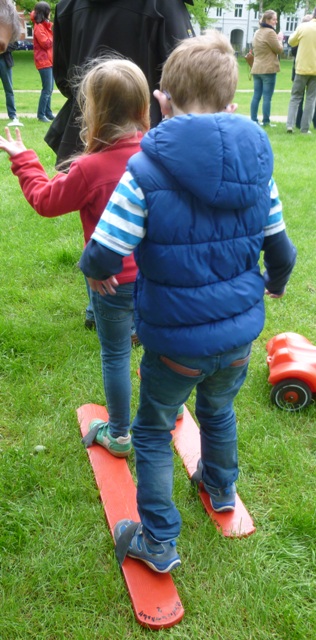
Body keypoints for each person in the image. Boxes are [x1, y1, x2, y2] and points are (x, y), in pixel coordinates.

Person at [80, 32, 297, 573]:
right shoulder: (258, 169)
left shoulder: (145, 173)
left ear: (163, 101)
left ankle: (157, 540)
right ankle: (221, 489)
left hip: (175, 343)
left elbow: (106, 248)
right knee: (218, 410)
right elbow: (282, 249)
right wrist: (276, 281)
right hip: (238, 340)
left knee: (154, 430)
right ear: (231, 103)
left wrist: (97, 274)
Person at [0, 57, 151, 458]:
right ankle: (160, 415)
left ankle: (119, 434)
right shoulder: (159, 156)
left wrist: (23, 158)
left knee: (116, 353)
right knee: (156, 346)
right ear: (143, 107)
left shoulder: (89, 167)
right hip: (158, 278)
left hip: (110, 281)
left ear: (93, 111)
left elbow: (46, 201)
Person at [44, 0, 194, 330]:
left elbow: (65, 73)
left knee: (101, 207)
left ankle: (107, 303)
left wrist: (95, 107)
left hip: (93, 123)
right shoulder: (162, 2)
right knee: (146, 214)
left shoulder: (69, 3)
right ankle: (123, 305)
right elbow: (184, 70)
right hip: (145, 130)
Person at [45, 0, 194, 164]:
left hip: (84, 138)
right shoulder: (164, 4)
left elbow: (64, 79)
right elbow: (188, 82)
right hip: (145, 144)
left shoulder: (67, 5)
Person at [250, 9, 283, 127]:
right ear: (268, 20)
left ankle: (253, 120)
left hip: (256, 68)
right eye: (274, 19)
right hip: (268, 69)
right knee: (267, 97)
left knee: (256, 95)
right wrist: (280, 39)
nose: (276, 21)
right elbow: (278, 50)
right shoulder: (270, 32)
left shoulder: (257, 32)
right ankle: (266, 121)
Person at [286, 8, 316, 134]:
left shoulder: (304, 26)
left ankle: (290, 125)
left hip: (301, 68)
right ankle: (304, 129)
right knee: (311, 99)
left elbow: (291, 41)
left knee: (295, 97)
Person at [30, 2, 54, 123]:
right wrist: (54, 36)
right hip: (43, 62)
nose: (50, 13)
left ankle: (48, 113)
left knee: (50, 89)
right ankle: (41, 115)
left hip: (50, 61)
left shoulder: (45, 26)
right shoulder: (39, 27)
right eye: (49, 11)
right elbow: (46, 43)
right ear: (45, 12)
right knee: (46, 89)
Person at [0, 42, 23, 126]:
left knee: (9, 90)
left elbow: (15, 44)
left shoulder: (8, 30)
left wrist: (2, 49)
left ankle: (12, 115)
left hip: (5, 61)